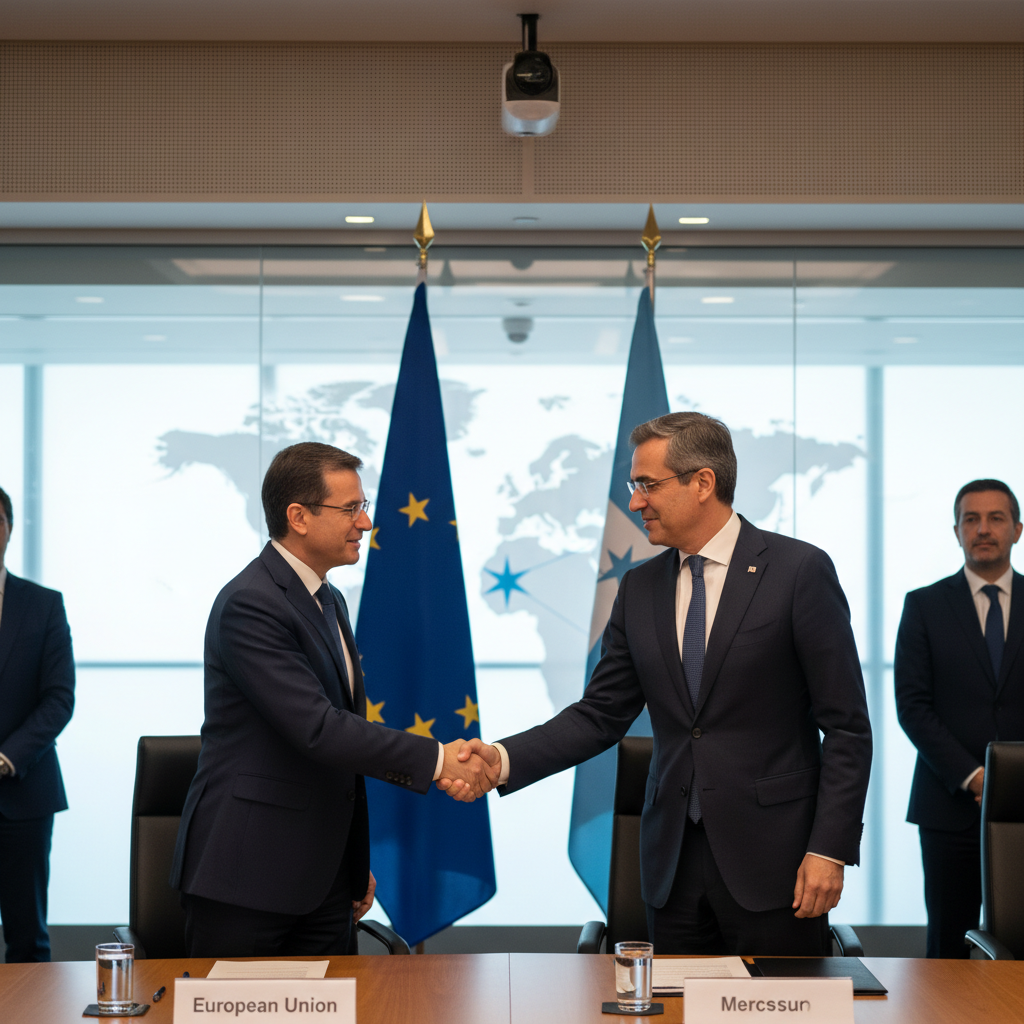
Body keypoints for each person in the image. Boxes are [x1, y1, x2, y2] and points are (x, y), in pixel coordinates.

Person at [444, 412, 872, 955]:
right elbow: (599, 714)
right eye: (634, 486)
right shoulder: (639, 588)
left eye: (647, 485)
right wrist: (501, 760)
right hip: (671, 869)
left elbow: (847, 728)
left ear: (703, 482)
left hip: (777, 864)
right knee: (673, 1001)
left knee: (776, 1001)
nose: (635, 502)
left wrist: (829, 849)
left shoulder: (798, 571)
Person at [170, 443, 494, 956]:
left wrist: (350, 861)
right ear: (298, 517)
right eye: (351, 509)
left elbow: (339, 748)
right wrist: (439, 759)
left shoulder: (327, 597)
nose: (365, 522)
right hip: (248, 877)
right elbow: (319, 729)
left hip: (323, 881)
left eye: (363, 507)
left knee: (337, 999)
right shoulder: (251, 603)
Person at [895, 479, 1024, 959]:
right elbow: (912, 705)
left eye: (995, 518)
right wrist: (974, 777)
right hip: (949, 806)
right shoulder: (924, 605)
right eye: (971, 519)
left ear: (1018, 530)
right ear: (956, 531)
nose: (983, 529)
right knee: (948, 946)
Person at [0, 486, 76, 963]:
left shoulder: (43, 604)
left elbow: (59, 698)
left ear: (8, 529)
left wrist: (6, 758)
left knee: (28, 938)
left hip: (22, 792)